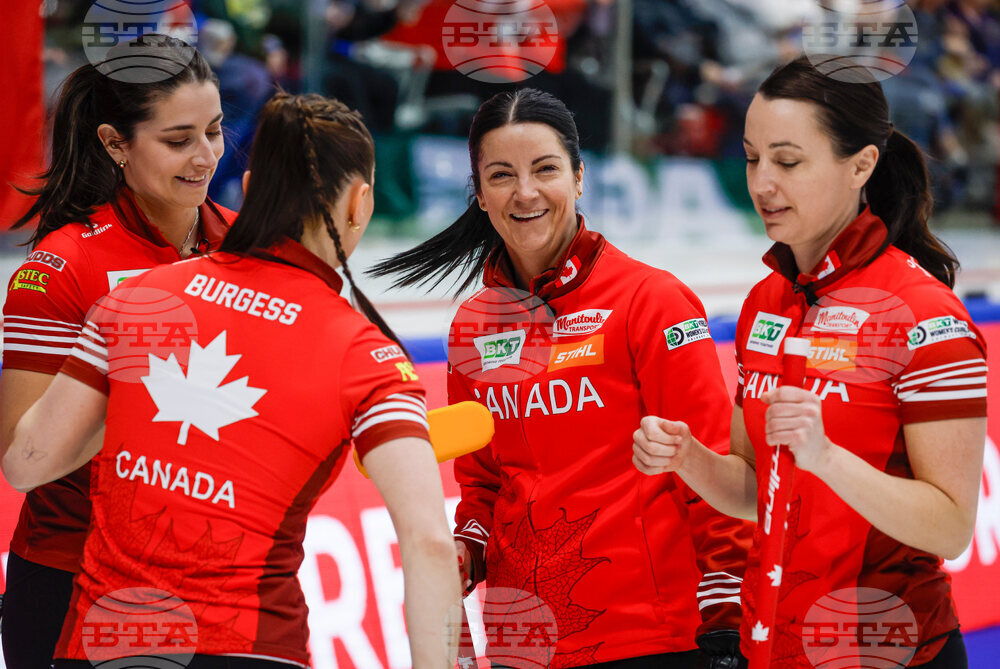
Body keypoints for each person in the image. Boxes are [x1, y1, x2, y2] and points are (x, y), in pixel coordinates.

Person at [2, 91, 461, 668]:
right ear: (360, 203)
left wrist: (139, 407)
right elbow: (429, 542)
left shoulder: (137, 300)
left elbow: (26, 464)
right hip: (251, 647)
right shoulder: (367, 355)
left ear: (248, 189)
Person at [371, 88, 753, 669]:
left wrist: (727, 614)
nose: (524, 192)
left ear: (578, 178)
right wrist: (465, 550)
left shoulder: (652, 300)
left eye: (545, 169)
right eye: (501, 175)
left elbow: (711, 464)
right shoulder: (473, 326)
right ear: (479, 194)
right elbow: (483, 486)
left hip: (648, 638)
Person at [632, 56, 987, 668]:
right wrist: (688, 458)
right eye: (752, 158)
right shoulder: (765, 303)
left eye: (789, 162)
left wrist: (827, 459)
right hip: (773, 647)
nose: (762, 184)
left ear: (861, 165)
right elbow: (758, 489)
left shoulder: (926, 316)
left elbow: (952, 527)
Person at [0, 35, 236, 669]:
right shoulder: (61, 267)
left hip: (216, 578)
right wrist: (153, 389)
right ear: (114, 143)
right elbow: (21, 461)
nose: (206, 156)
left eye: (214, 130)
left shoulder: (246, 248)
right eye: (178, 140)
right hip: (75, 582)